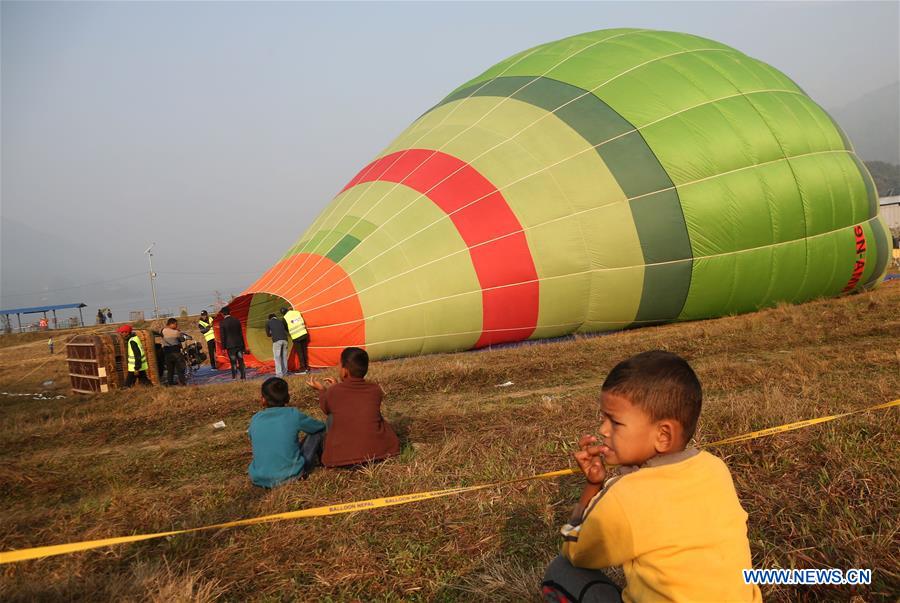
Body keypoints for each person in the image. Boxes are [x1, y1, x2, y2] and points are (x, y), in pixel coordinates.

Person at [541, 351, 760, 603]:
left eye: (615, 422)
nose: (602, 430)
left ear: (663, 436)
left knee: (560, 571)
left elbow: (576, 550)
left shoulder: (627, 494)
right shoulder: (716, 468)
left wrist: (593, 486)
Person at [307, 347, 400, 467]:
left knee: (330, 419)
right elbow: (353, 401)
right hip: (379, 453)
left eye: (339, 365)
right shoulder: (375, 389)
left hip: (344, 459)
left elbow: (326, 408)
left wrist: (322, 390)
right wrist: (336, 387)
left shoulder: (334, 391)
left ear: (345, 371)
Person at [248, 377, 326, 488]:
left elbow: (252, 436)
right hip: (291, 476)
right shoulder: (293, 414)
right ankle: (323, 460)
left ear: (263, 400)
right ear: (288, 397)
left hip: (259, 478)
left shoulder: (256, 418)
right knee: (317, 433)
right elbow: (319, 427)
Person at [220, 305, 246, 380]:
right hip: (239, 344)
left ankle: (235, 377)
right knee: (241, 361)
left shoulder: (223, 323)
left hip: (230, 346)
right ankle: (243, 377)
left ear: (222, 314)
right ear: (229, 312)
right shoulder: (236, 320)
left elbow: (223, 336)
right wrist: (243, 346)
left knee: (233, 362)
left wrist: (223, 347)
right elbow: (241, 334)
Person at [281, 306, 309, 373]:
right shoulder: (297, 312)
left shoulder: (284, 318)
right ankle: (307, 366)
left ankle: (303, 368)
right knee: (305, 351)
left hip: (296, 337)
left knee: (300, 353)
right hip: (304, 334)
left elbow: (286, 328)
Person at [160, 318, 188, 386]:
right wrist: (179, 332)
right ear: (171, 324)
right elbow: (182, 339)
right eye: (175, 324)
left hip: (167, 353)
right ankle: (182, 383)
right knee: (180, 369)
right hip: (176, 353)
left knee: (170, 370)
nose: (176, 326)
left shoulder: (162, 331)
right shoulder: (176, 332)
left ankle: (170, 383)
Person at [266, 312, 290, 378]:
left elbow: (268, 334)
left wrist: (272, 333)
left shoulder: (268, 322)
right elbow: (285, 329)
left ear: (269, 318)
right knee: (284, 357)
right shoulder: (281, 321)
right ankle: (285, 373)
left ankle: (279, 375)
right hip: (285, 340)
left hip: (277, 341)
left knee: (277, 358)